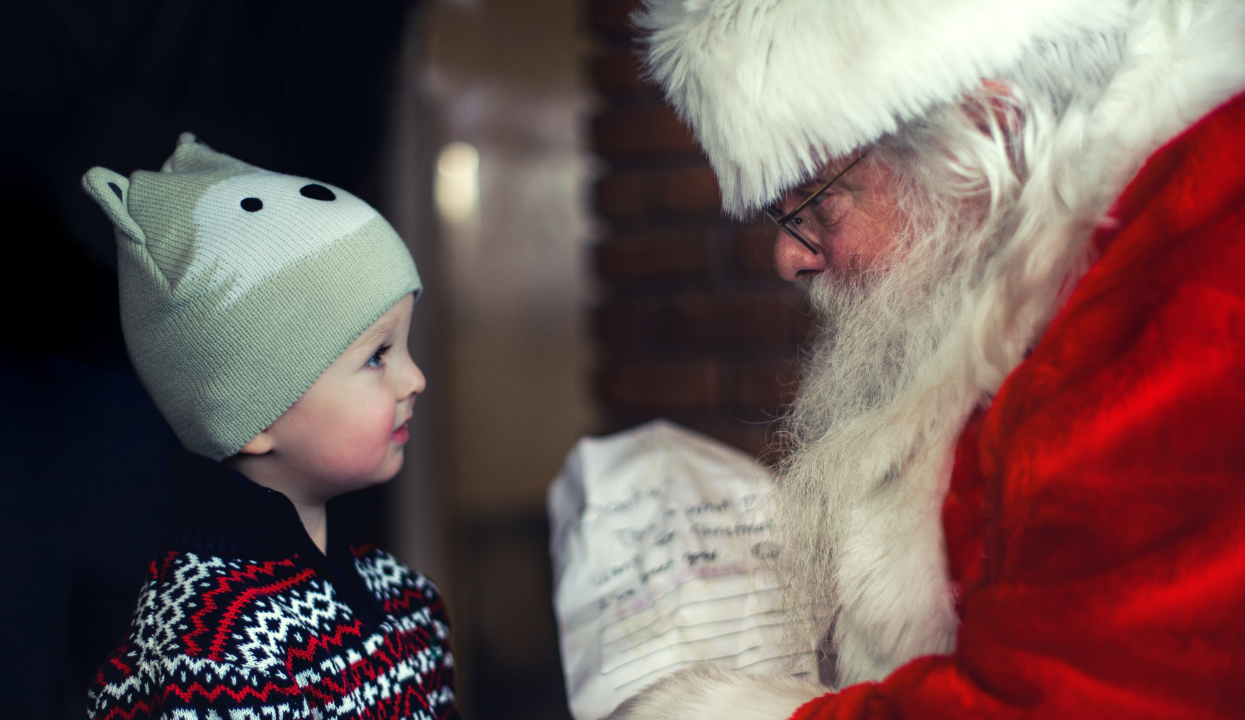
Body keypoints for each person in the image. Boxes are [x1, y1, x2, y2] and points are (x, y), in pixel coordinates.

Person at [610, 0, 1245, 718]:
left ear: (989, 133)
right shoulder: (1049, 271)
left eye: (813, 202)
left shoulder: (1200, 271)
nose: (790, 257)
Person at [80, 133, 457, 719]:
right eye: (377, 355)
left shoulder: (407, 600)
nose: (415, 379)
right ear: (250, 414)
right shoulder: (213, 659)